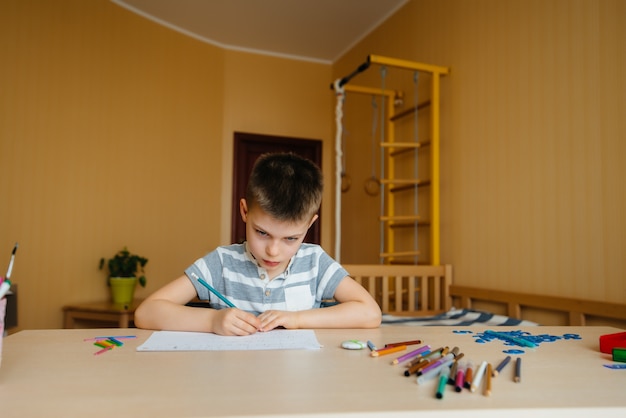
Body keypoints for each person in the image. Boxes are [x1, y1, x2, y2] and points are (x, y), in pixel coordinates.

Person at [135, 152, 382, 336]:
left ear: (309, 225)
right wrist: (212, 321)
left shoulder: (315, 262)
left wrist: (297, 319)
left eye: (290, 238)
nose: (273, 250)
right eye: (262, 233)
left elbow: (370, 313)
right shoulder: (222, 263)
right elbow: (146, 313)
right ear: (244, 211)